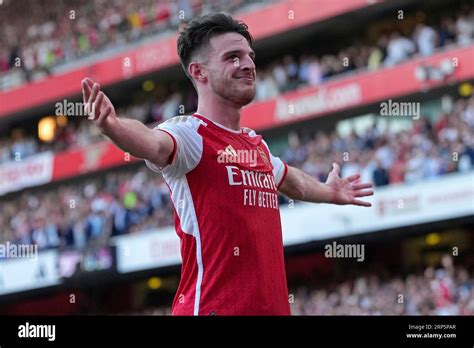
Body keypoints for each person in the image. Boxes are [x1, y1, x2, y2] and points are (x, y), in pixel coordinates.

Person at [81, 13, 374, 316]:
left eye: (249, 56)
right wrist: (113, 126)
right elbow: (153, 143)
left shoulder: (255, 146)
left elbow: (291, 181)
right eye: (232, 57)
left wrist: (328, 192)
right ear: (199, 72)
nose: (248, 64)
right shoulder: (191, 136)